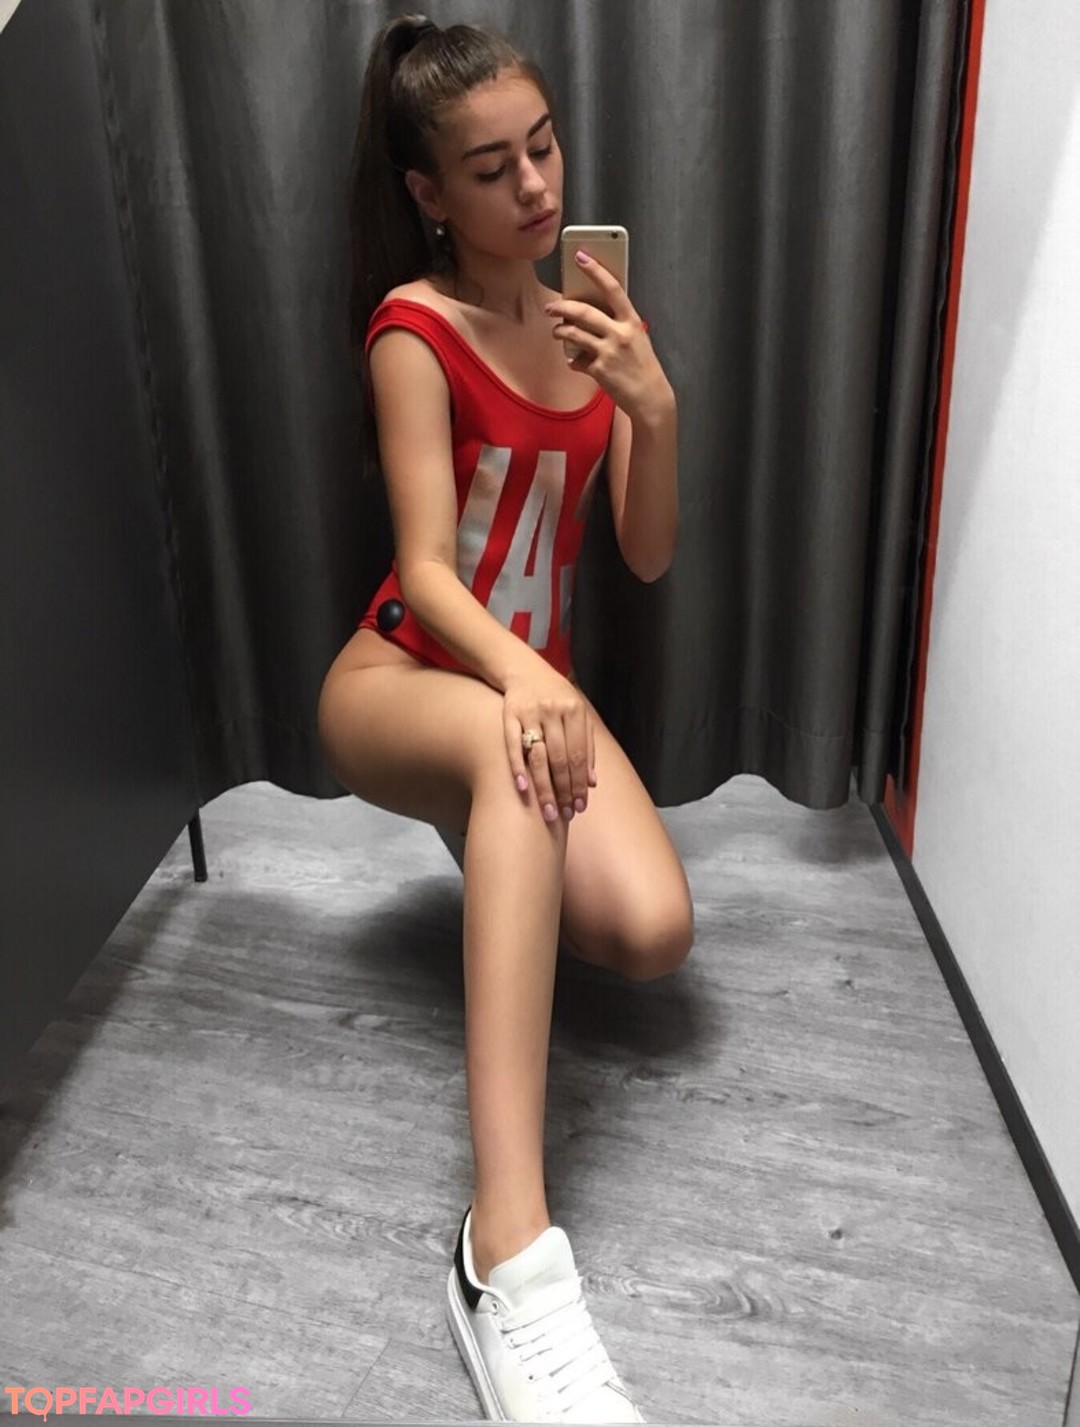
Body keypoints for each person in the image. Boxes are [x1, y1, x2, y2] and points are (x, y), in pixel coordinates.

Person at [317, 14, 694, 1423]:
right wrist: (528, 680)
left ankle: (500, 848)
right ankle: (508, 1258)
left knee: (653, 937)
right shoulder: (413, 330)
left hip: (528, 702)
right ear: (430, 193)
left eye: (542, 149)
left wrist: (654, 407)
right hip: (406, 679)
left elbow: (644, 553)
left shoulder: (594, 319)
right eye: (491, 169)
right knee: (512, 749)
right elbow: (425, 569)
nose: (535, 187)